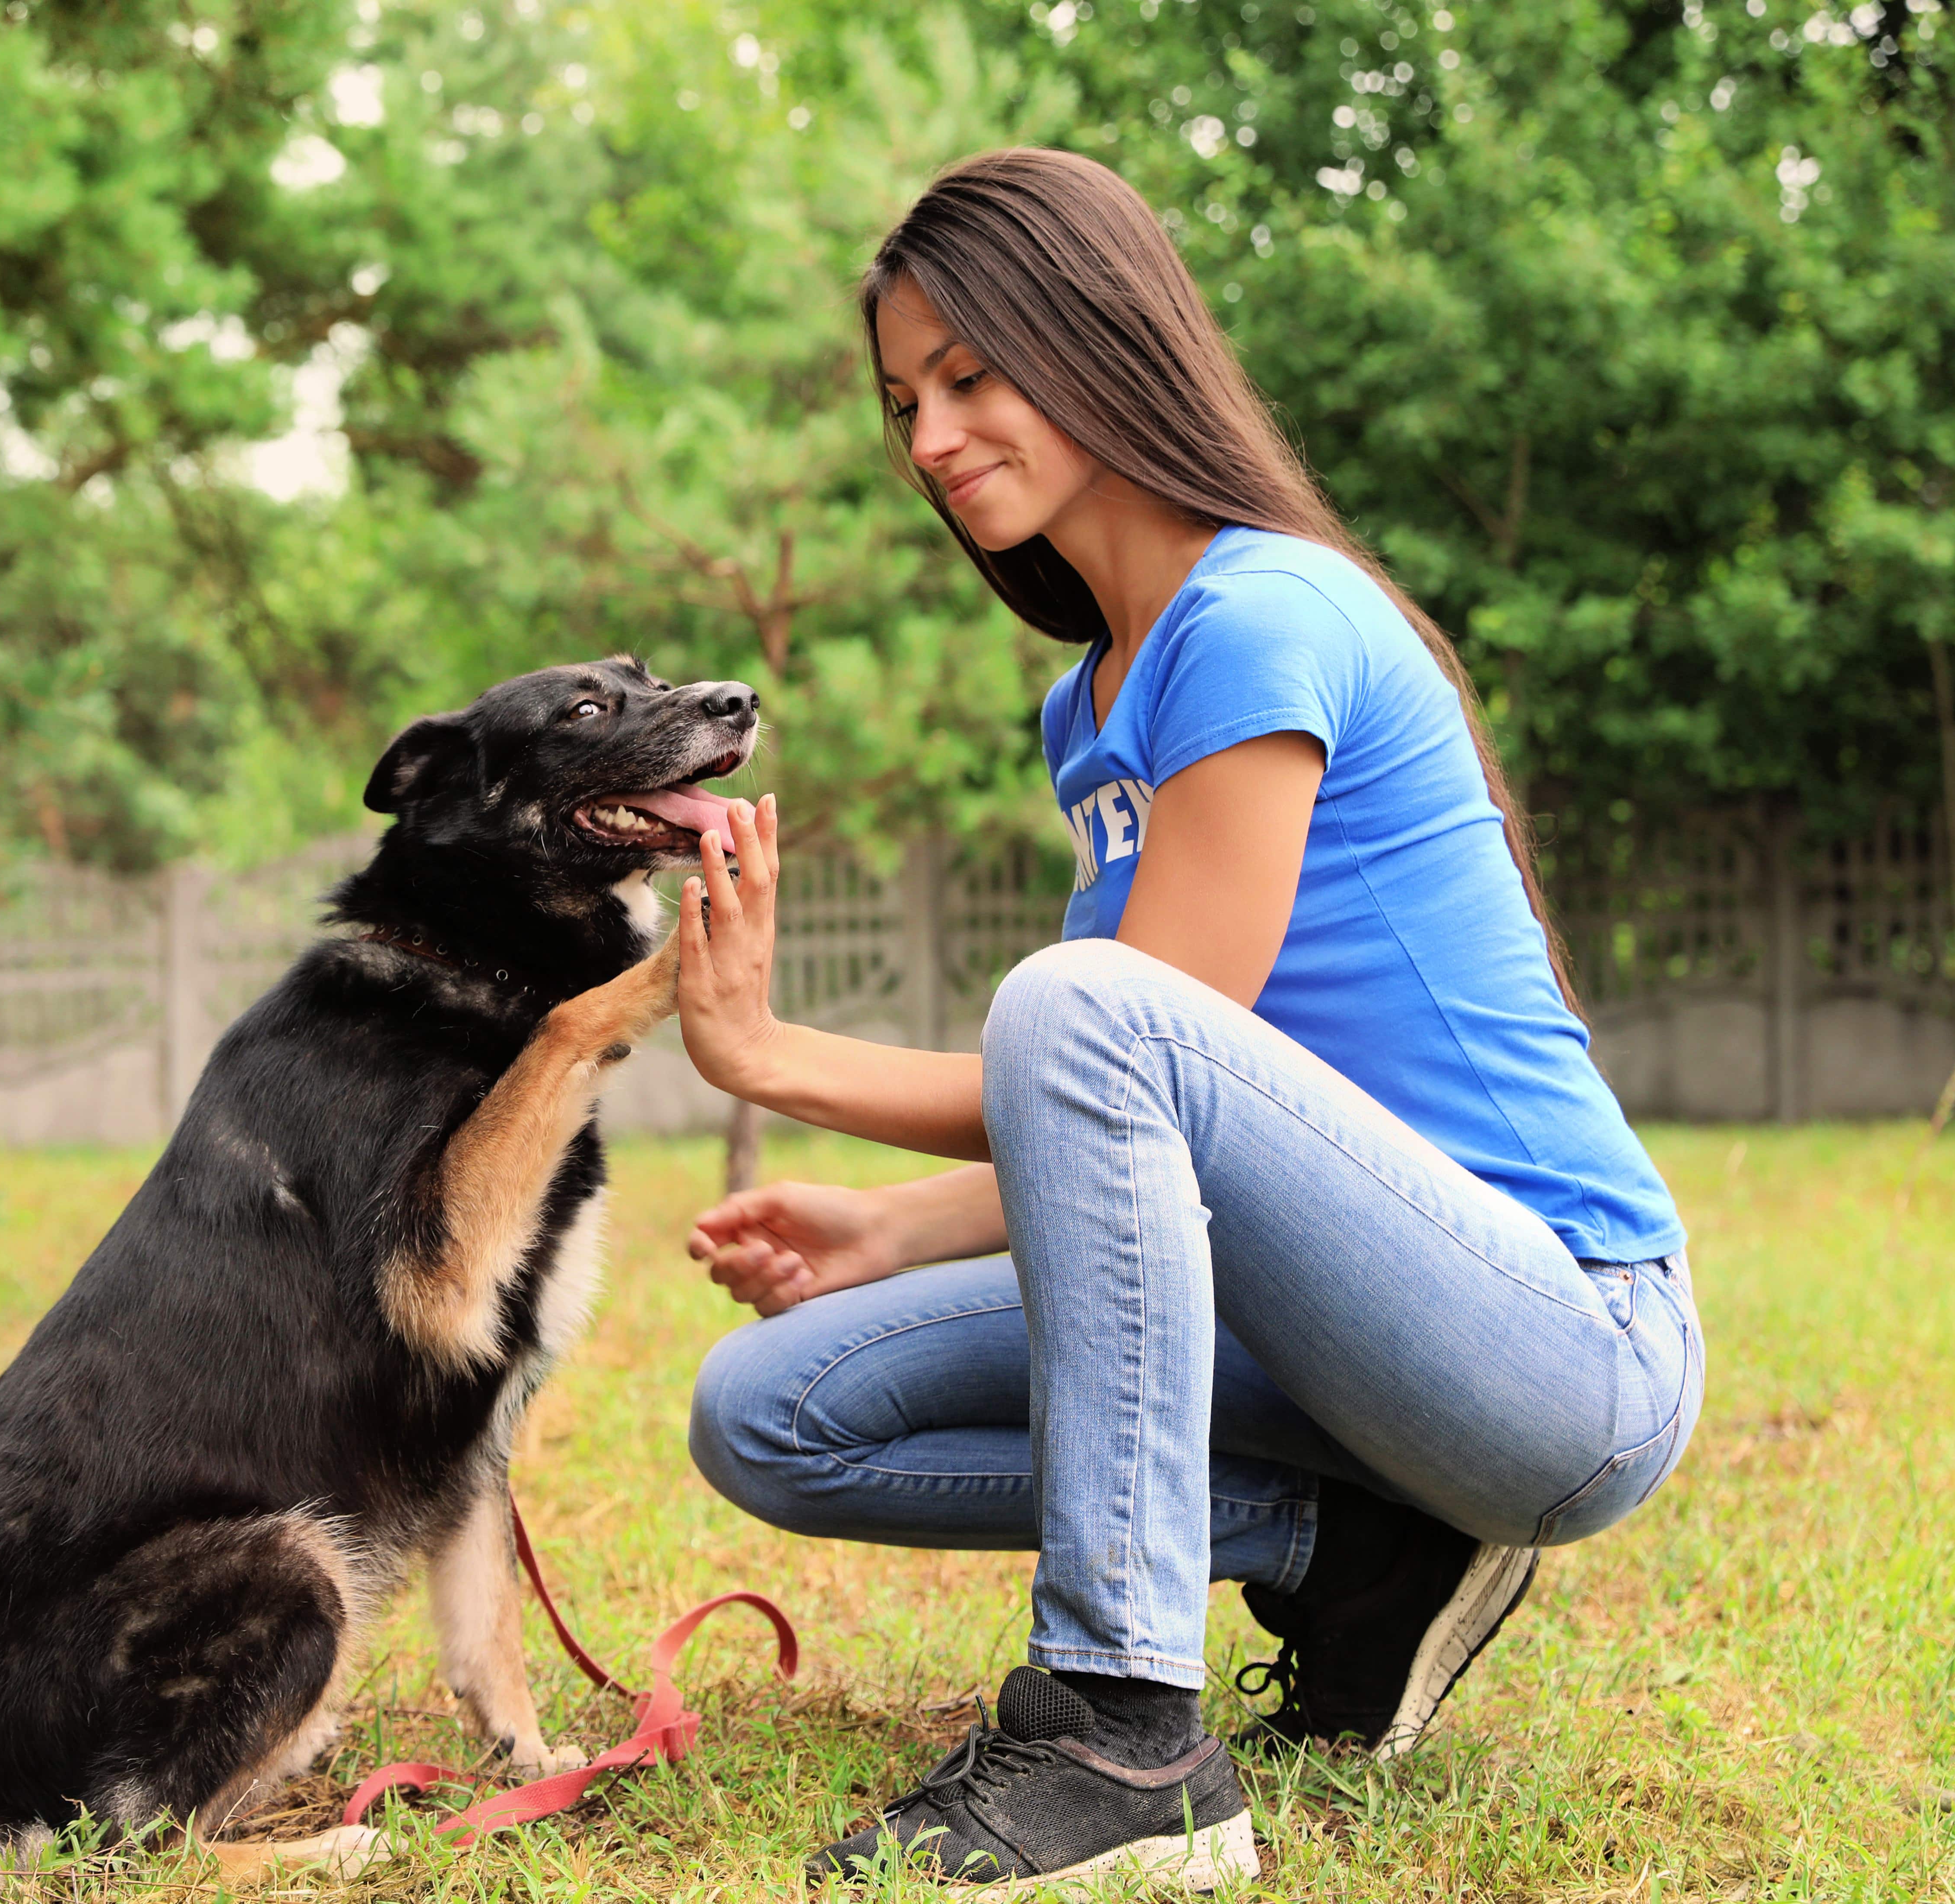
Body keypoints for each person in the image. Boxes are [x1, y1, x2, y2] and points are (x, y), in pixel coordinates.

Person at [667, 149, 1702, 1895]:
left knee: (1081, 1000)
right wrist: (879, 1230)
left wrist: (769, 1055)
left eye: (972, 379)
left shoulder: (1259, 613)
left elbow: (1143, 1026)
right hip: (1337, 1342)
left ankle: (1121, 1731)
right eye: (904, 399)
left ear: (1093, 337)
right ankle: (1357, 1547)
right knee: (769, 1405)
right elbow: (1136, 1124)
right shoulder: (1096, 697)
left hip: (1560, 1348)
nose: (928, 438)